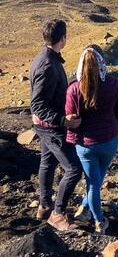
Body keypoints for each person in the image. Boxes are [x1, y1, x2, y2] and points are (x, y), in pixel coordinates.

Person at [65, 46, 118, 235]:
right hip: (109, 141)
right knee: (96, 181)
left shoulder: (74, 90)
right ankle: (98, 220)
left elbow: (70, 118)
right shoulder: (113, 84)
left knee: (93, 182)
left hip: (85, 145)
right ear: (102, 64)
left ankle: (89, 213)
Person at [30, 19, 83, 231]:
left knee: (47, 162)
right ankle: (58, 213)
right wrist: (63, 120)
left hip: (44, 126)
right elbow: (38, 103)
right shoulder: (48, 65)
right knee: (73, 169)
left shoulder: (44, 58)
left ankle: (44, 206)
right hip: (51, 128)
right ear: (63, 38)